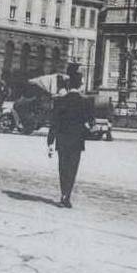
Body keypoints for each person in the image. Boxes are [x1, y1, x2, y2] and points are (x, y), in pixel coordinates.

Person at [47, 74, 92, 208]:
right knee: (72, 168)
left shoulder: (60, 101)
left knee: (63, 168)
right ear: (80, 85)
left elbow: (54, 123)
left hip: (62, 140)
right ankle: (67, 195)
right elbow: (89, 123)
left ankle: (63, 193)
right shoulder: (85, 102)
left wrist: (50, 142)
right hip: (77, 141)